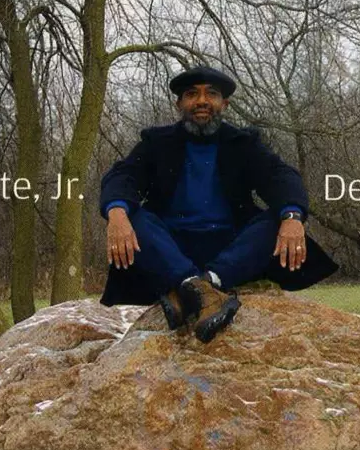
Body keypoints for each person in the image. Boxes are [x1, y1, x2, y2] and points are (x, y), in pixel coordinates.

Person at [98, 65, 338, 342]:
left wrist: (293, 217)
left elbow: (279, 176)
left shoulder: (243, 143)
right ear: (179, 104)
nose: (202, 101)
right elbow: (124, 176)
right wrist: (117, 213)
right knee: (131, 215)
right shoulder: (157, 143)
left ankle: (195, 287)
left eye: (211, 94)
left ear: (224, 104)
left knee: (277, 219)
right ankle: (198, 287)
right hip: (170, 249)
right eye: (192, 94)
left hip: (230, 251)